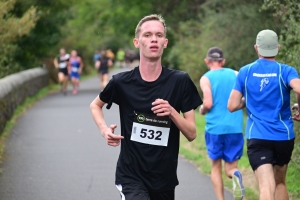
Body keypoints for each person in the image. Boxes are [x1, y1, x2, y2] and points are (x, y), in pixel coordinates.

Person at [90, 14, 202, 200]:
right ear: (137, 42)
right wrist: (104, 130)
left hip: (163, 179)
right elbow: (95, 105)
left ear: (165, 43)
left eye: (159, 35)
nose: (153, 40)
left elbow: (192, 133)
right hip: (131, 176)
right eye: (148, 35)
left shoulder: (180, 81)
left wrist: (172, 112)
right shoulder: (122, 82)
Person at [228, 29, 300, 200]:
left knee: (266, 187)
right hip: (283, 137)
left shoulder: (245, 72)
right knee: (280, 183)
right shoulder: (286, 71)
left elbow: (231, 106)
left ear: (256, 48)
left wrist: (248, 100)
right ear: (278, 48)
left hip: (258, 136)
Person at [199, 47, 245, 200]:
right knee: (231, 168)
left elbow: (208, 103)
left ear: (207, 61)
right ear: (223, 61)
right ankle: (235, 174)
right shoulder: (236, 74)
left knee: (216, 167)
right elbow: (245, 98)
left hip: (215, 129)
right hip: (235, 128)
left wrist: (201, 109)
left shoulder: (206, 78)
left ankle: (221, 199)